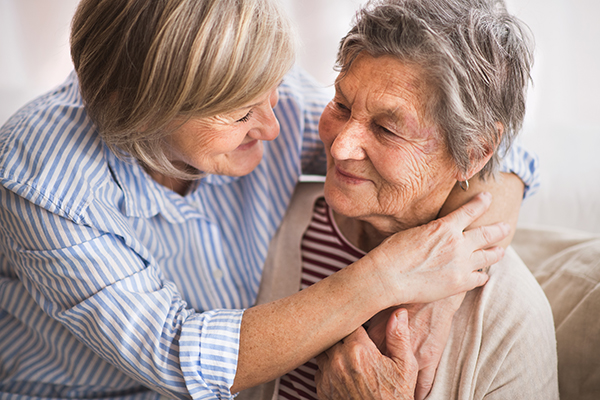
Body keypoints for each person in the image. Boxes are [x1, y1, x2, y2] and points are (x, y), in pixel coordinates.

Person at [0, 0, 536, 399]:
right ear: (139, 115)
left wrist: (439, 290)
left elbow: (489, 146)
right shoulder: (42, 176)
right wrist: (386, 277)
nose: (277, 125)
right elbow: (173, 352)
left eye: (271, 87)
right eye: (238, 114)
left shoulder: (256, 93)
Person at [239, 0, 558, 399]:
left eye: (387, 129)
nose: (340, 148)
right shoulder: (277, 221)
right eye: (341, 104)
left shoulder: (511, 316)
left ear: (475, 151)